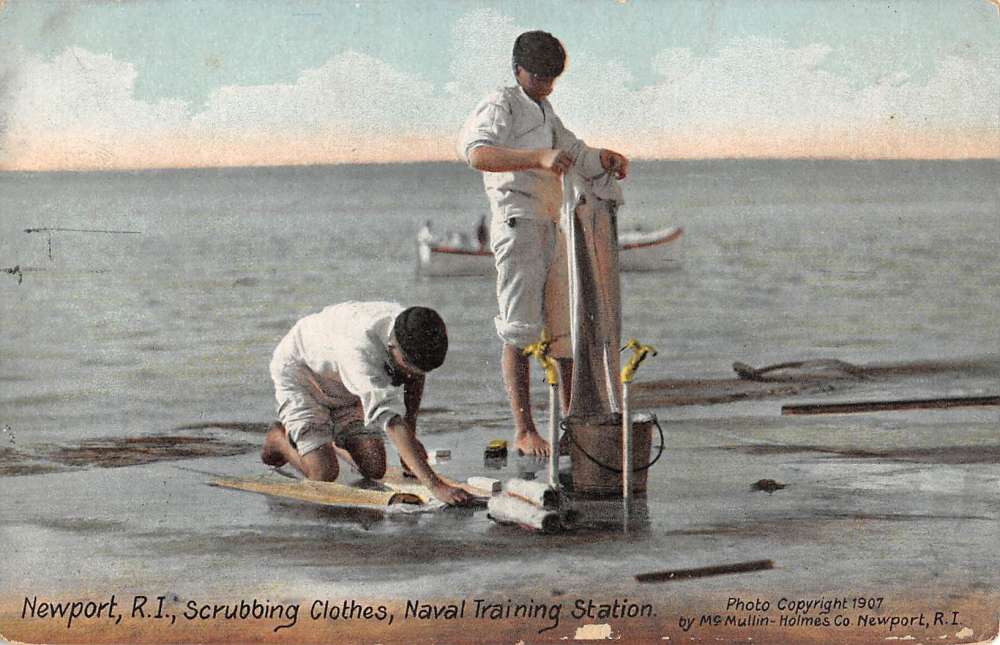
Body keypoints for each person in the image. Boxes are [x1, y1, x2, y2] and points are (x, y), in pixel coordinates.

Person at [457, 30, 629, 457]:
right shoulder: (501, 103)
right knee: (518, 330)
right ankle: (524, 430)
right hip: (517, 223)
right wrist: (537, 157)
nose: (546, 85)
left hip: (552, 224)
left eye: (552, 79)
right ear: (518, 70)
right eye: (538, 77)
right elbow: (477, 154)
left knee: (564, 330)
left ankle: (572, 425)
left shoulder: (545, 110)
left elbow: (575, 151)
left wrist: (604, 157)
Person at [260, 301, 472, 506]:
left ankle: (328, 437)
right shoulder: (361, 352)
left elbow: (415, 374)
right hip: (301, 374)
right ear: (392, 345)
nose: (412, 373)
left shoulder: (412, 328)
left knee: (375, 467)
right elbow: (391, 422)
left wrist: (411, 438)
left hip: (344, 383)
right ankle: (279, 439)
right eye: (409, 365)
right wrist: (436, 486)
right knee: (324, 474)